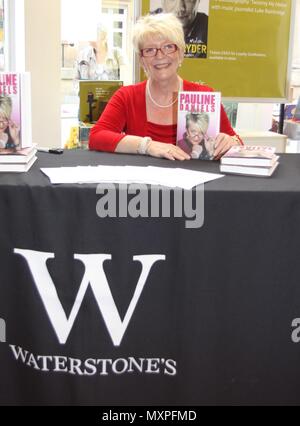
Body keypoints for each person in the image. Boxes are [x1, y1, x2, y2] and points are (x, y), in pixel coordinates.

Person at [89, 13, 242, 160]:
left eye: (168, 47)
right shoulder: (126, 96)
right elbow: (96, 137)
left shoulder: (203, 95)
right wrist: (147, 146)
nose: (160, 56)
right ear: (142, 60)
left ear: (181, 53)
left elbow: (237, 142)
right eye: (150, 50)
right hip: (143, 186)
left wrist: (231, 143)